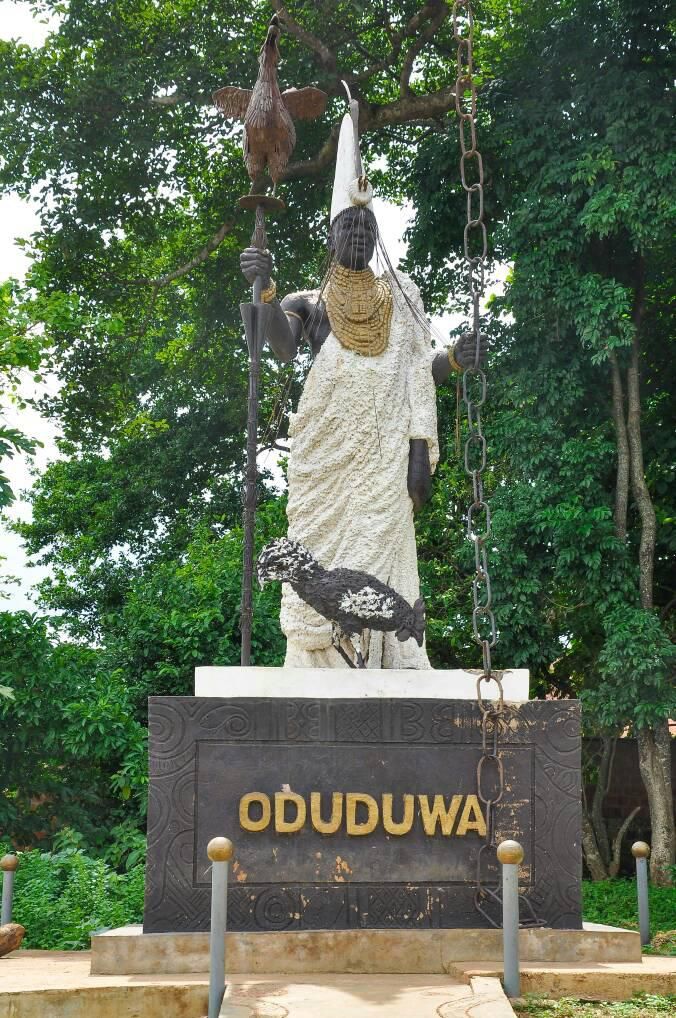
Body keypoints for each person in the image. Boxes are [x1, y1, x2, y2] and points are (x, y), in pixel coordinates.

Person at [240, 107, 483, 668]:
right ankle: (320, 655)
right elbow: (278, 342)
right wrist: (264, 287)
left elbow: (418, 372)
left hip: (383, 457)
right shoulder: (311, 302)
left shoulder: (402, 301)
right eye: (348, 225)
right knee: (317, 550)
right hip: (326, 460)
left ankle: (389, 651)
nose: (358, 232)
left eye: (366, 227)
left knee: (386, 544)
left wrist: (454, 358)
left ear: (376, 238)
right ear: (330, 235)